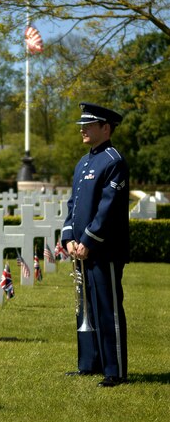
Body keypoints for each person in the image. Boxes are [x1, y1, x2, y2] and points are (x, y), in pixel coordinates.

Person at [61, 102, 129, 387]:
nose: (83, 130)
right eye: (82, 126)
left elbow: (108, 208)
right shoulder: (83, 161)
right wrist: (68, 238)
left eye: (89, 126)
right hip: (80, 250)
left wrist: (88, 240)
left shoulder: (114, 161)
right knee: (84, 308)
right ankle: (89, 363)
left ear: (106, 128)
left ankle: (115, 370)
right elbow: (73, 204)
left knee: (107, 308)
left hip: (105, 250)